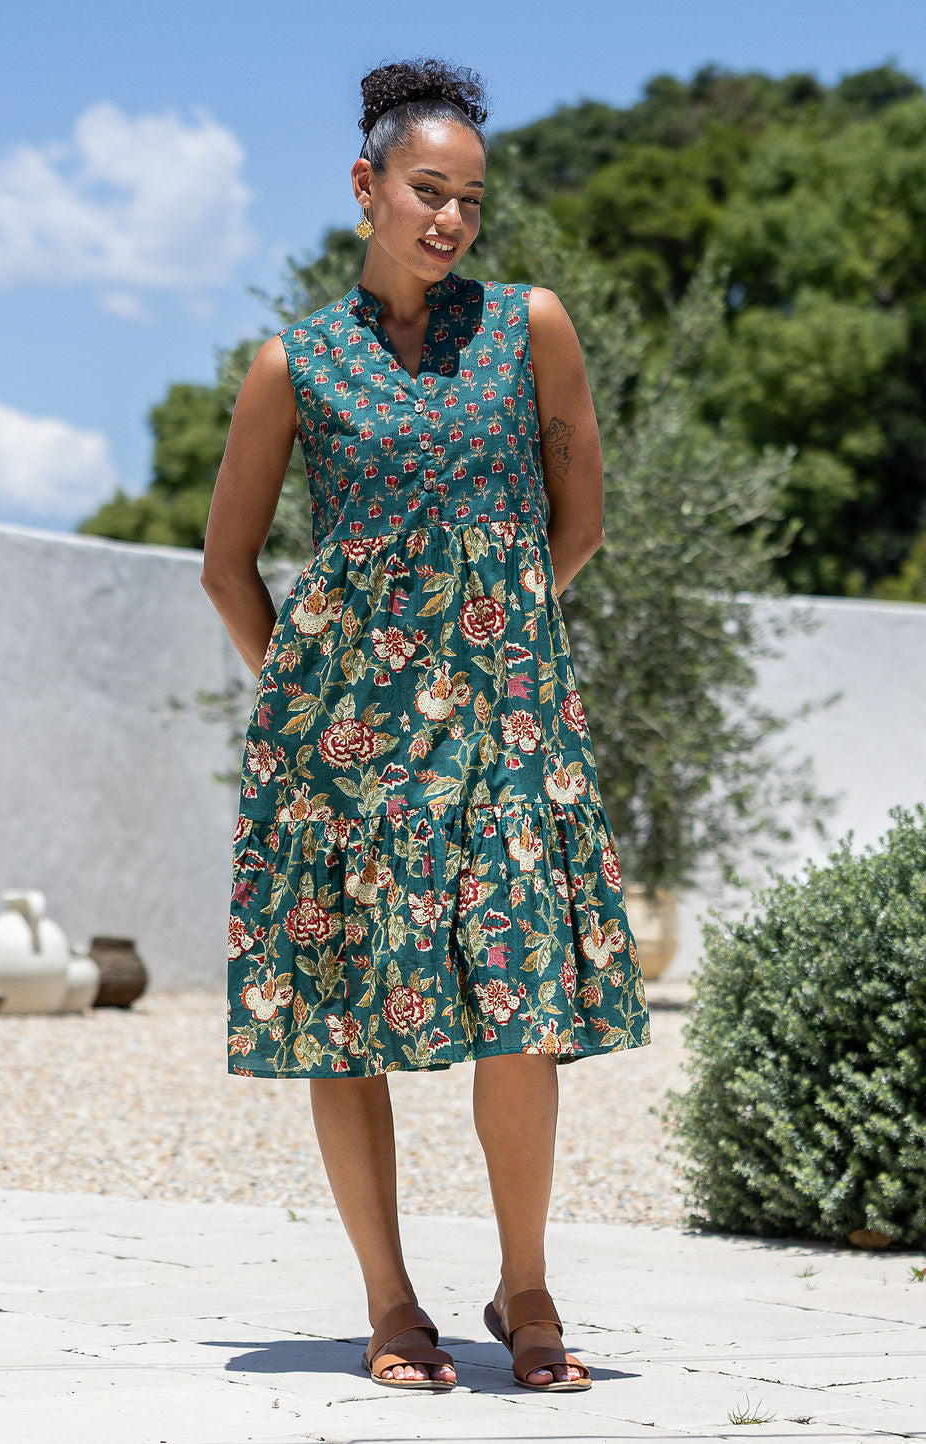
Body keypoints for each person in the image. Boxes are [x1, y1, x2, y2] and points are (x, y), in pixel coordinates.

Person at [201, 56, 651, 1395]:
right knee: (347, 1019)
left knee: (520, 1010)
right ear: (367, 187)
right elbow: (228, 568)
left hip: (503, 738)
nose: (448, 218)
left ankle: (527, 1287)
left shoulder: (531, 327)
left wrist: (489, 650)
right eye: (425, 190)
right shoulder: (296, 365)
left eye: (466, 198)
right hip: (342, 759)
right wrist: (319, 704)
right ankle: (391, 1308)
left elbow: (581, 524)